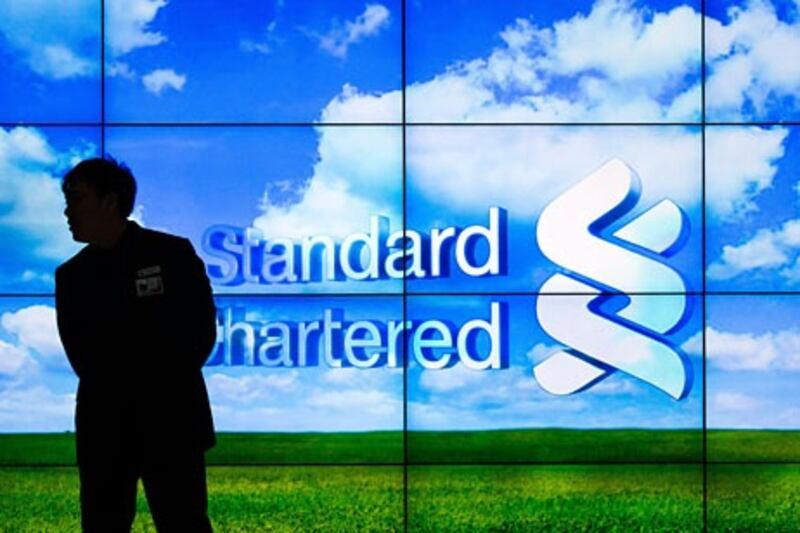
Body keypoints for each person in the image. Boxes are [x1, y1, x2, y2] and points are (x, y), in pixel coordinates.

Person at [55, 157, 216, 532]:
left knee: (184, 523)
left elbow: (200, 335)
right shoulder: (71, 276)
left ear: (110, 201)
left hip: (173, 424)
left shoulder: (173, 254)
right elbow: (81, 356)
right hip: (104, 430)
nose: (67, 211)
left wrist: (149, 383)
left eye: (76, 199)